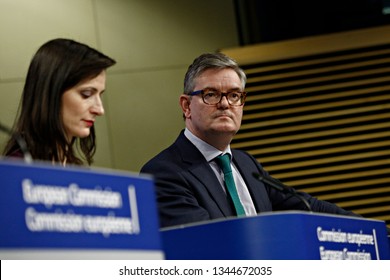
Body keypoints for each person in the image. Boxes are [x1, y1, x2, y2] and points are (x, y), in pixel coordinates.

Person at [141, 52, 360, 228]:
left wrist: (371, 231)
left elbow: (306, 206)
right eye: (211, 94)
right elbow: (206, 244)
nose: (225, 104)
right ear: (186, 106)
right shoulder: (163, 173)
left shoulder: (246, 163)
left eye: (235, 95)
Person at [2, 38, 116, 166]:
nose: (100, 110)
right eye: (87, 94)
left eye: (100, 95)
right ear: (51, 94)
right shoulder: (19, 169)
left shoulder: (74, 167)